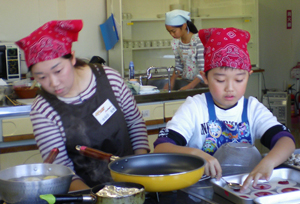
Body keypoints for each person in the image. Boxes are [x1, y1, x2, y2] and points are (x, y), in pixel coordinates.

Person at [154, 27, 295, 191]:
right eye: (220, 80)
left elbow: (286, 141)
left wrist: (267, 163)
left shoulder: (252, 109)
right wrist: (196, 155)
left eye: (239, 79)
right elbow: (161, 147)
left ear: (248, 75)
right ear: (205, 77)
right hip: (199, 192)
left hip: (241, 190)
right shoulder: (195, 107)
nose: (230, 88)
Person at [16, 20, 150, 191]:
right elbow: (62, 168)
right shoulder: (43, 109)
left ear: (72, 58)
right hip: (84, 194)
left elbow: (134, 123)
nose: (54, 83)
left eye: (58, 71)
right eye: (41, 77)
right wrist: (94, 198)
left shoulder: (109, 79)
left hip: (135, 181)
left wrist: (140, 171)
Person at [164, 9, 205, 91]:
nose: (172, 34)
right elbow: (179, 67)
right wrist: (170, 82)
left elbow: (203, 70)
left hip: (200, 85)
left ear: (184, 26)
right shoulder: (176, 43)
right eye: (169, 32)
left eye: (173, 31)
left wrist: (190, 86)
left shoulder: (198, 41)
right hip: (185, 81)